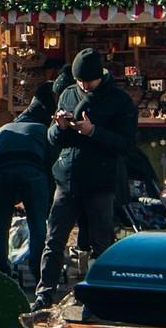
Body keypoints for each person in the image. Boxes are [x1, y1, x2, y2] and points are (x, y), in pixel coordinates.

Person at [38, 48, 138, 302]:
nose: (84, 85)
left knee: (101, 241)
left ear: (100, 76)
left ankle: (100, 294)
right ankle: (45, 291)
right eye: (80, 80)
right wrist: (60, 128)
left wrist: (94, 132)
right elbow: (51, 138)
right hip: (67, 178)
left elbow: (126, 144)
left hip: (100, 181)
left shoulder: (119, 100)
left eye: (88, 81)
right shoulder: (68, 94)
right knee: (54, 238)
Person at [0, 96, 53, 280]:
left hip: (1, 174)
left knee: (0, 222)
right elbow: (50, 163)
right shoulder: (42, 130)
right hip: (32, 172)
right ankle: (38, 268)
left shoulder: (3, 128)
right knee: (37, 222)